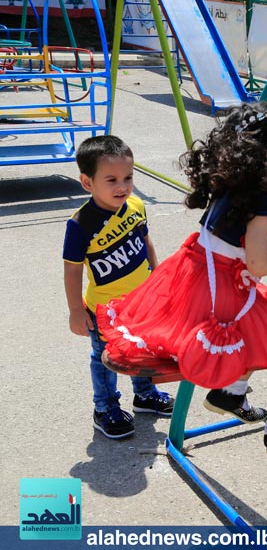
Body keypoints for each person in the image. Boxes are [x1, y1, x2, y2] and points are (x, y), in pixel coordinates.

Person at [96, 103, 267, 454]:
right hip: (221, 289)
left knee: (260, 324)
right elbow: (259, 265)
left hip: (194, 275)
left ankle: (229, 393)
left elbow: (235, 237)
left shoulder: (235, 183)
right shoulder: (263, 199)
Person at [64, 136, 175, 440]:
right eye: (111, 179)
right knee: (106, 358)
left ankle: (145, 394)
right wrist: (76, 310)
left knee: (142, 349)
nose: (122, 186)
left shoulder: (136, 205)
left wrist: (156, 271)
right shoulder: (80, 224)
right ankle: (105, 408)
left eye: (128, 178)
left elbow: (145, 238)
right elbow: (72, 269)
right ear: (87, 182)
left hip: (141, 301)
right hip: (103, 310)